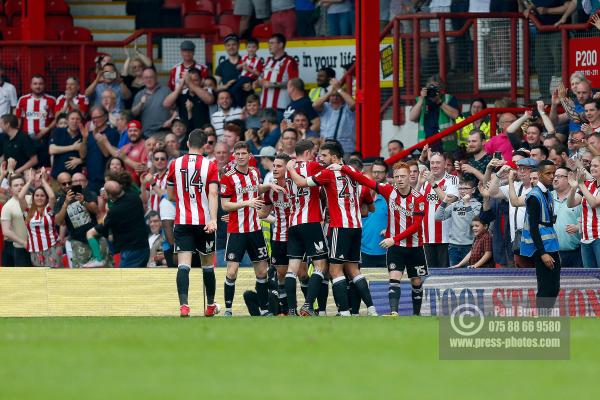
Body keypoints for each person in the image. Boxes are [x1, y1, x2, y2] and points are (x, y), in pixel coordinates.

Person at [287, 141, 377, 316]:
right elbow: (368, 207)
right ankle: (372, 309)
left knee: (334, 270)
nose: (320, 159)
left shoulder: (328, 173)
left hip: (339, 226)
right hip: (356, 226)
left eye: (324, 156)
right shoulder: (353, 171)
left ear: (334, 157)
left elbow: (301, 183)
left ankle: (343, 312)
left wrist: (290, 169)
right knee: (353, 270)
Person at [332, 160, 427, 316]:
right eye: (397, 176)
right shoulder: (389, 191)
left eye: (403, 176)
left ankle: (416, 315)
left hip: (414, 246)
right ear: (394, 178)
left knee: (416, 281)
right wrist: (342, 168)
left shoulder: (419, 198)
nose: (400, 179)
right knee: (394, 278)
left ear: (410, 177)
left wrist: (393, 238)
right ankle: (394, 313)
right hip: (396, 246)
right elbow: (365, 180)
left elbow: (416, 226)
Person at [220, 141, 283, 316]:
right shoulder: (228, 177)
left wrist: (268, 186)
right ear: (234, 156)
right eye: (237, 154)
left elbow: (256, 189)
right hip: (236, 231)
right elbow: (225, 205)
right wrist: (247, 203)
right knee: (232, 271)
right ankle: (228, 309)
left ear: (249, 156)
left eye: (243, 153)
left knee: (262, 271)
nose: (240, 157)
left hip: (255, 230)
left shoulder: (255, 173)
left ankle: (264, 310)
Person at [167, 129, 221, 317]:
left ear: (188, 143)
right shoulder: (210, 165)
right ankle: (211, 305)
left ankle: (184, 305)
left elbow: (170, 194)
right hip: (204, 222)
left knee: (184, 264)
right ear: (206, 146)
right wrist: (213, 219)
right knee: (207, 264)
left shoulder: (175, 164)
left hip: (182, 220)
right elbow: (213, 193)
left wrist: (184, 200)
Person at [520, 160, 561, 311]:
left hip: (551, 244)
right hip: (542, 248)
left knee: (554, 287)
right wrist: (542, 253)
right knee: (545, 287)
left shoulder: (547, 193)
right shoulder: (534, 196)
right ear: (539, 174)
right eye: (548, 173)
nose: (552, 177)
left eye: (554, 173)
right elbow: (533, 227)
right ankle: (542, 320)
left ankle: (545, 316)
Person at [86, 179, 149, 268]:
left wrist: (107, 210)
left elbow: (104, 231)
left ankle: (98, 260)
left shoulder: (114, 211)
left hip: (130, 251)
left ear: (110, 195)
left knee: (126, 280)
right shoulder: (135, 198)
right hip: (144, 247)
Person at [54, 172, 109, 268]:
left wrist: (83, 202)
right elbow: (58, 221)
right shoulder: (60, 201)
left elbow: (96, 210)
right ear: (59, 185)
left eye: (69, 182)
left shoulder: (84, 192)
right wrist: (66, 204)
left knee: (104, 271)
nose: (67, 185)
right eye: (64, 184)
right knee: (82, 274)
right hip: (78, 242)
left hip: (95, 238)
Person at [260, 152, 292, 313]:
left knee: (301, 273)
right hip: (278, 236)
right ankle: (286, 309)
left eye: (279, 166)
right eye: (274, 166)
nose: (274, 169)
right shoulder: (270, 190)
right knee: (280, 274)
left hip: (296, 237)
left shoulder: (296, 187)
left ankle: (309, 309)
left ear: (288, 168)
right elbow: (263, 214)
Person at [420, 153, 460, 268]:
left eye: (438, 163)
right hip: (426, 237)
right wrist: (419, 183)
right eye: (432, 163)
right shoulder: (425, 181)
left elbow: (448, 202)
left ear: (444, 165)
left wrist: (433, 184)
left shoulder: (452, 179)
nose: (434, 166)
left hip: (446, 237)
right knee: (429, 274)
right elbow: (414, 203)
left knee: (445, 274)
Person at [17, 168, 62, 267]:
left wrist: (43, 181)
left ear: (45, 198)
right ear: (33, 198)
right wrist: (29, 181)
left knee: (54, 278)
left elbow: (52, 197)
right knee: (41, 279)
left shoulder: (49, 210)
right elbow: (20, 197)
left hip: (52, 248)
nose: (39, 198)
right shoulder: (28, 212)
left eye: (42, 196)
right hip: (35, 251)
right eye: (37, 195)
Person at [435, 178, 481, 266]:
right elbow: (438, 217)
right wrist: (444, 201)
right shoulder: (454, 205)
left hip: (470, 245)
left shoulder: (477, 205)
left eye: (466, 189)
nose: (463, 191)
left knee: (469, 274)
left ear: (473, 190)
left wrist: (467, 203)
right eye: (460, 188)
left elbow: (472, 222)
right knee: (454, 275)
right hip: (453, 246)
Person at [408, 77, 459, 152]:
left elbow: (456, 115)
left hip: (446, 144)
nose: (432, 91)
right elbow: (412, 117)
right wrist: (422, 99)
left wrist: (439, 102)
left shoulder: (448, 98)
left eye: (436, 88)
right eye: (430, 88)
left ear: (441, 89)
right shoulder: (420, 100)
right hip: (426, 143)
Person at [15, 74, 56, 167]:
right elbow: (18, 119)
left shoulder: (51, 100)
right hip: (27, 139)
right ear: (31, 85)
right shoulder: (23, 100)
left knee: (44, 167)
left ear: (44, 85)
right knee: (28, 167)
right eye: (35, 84)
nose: (38, 86)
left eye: (40, 83)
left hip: (45, 139)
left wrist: (47, 129)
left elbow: (56, 119)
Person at [567, 157, 600, 268]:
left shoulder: (584, 184)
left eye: (596, 166)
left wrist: (581, 184)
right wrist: (573, 188)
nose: (592, 168)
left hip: (599, 237)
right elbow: (570, 204)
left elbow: (594, 203)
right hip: (585, 238)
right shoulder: (588, 185)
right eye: (591, 165)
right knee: (591, 278)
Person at [80, 106, 120, 194]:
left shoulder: (113, 133)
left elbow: (106, 154)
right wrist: (84, 139)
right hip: (90, 180)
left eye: (97, 117)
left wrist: (100, 140)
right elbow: (82, 155)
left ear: (106, 117)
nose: (94, 120)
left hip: (106, 179)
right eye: (92, 118)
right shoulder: (89, 134)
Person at [548, 166, 582, 268]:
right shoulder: (547, 196)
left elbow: (588, 220)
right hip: (551, 253)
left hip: (575, 253)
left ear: (569, 179)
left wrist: (578, 227)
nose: (555, 178)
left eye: (559, 176)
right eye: (555, 176)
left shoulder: (579, 198)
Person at [313, 78, 356, 154]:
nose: (335, 98)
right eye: (333, 96)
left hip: (345, 148)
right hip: (326, 147)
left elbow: (353, 104)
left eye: (338, 96)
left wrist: (339, 89)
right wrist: (330, 91)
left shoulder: (347, 107)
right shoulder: (326, 107)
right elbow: (315, 105)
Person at [358, 159, 388, 268]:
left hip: (386, 251)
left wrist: (389, 230)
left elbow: (399, 219)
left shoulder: (387, 198)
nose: (366, 187)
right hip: (363, 252)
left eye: (369, 184)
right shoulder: (356, 202)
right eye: (363, 184)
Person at [163, 68, 214, 133]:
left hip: (204, 134)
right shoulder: (182, 94)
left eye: (195, 80)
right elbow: (166, 104)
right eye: (189, 80)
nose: (191, 83)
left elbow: (209, 100)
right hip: (186, 135)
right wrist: (181, 85)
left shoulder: (207, 91)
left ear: (202, 81)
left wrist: (189, 82)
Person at [259, 34, 299, 112]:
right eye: (269, 43)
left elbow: (294, 83)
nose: (269, 46)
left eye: (272, 43)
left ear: (280, 45)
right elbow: (262, 78)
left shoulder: (290, 61)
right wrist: (258, 82)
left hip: (281, 106)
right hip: (264, 105)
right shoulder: (268, 61)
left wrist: (273, 84)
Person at [1, 173, 31, 266]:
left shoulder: (34, 199)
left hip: (38, 245)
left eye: (22, 185)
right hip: (20, 247)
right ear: (10, 189)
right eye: (16, 185)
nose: (20, 187)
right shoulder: (7, 206)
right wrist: (23, 242)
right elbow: (6, 231)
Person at [131, 67, 172, 137]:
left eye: (151, 77)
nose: (148, 80)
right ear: (143, 79)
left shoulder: (166, 91)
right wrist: (141, 103)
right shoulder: (139, 94)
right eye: (146, 77)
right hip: (146, 134)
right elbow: (133, 113)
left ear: (156, 77)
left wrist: (171, 120)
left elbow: (176, 110)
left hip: (163, 132)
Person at [49, 109, 84, 179]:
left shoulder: (84, 135)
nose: (75, 121)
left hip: (75, 179)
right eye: (72, 119)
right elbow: (52, 150)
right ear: (67, 121)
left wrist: (81, 160)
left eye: (77, 119)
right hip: (57, 177)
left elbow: (90, 154)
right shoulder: (58, 131)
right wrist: (73, 147)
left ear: (81, 121)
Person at [141, 147, 169, 212]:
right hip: (152, 216)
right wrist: (143, 185)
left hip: (166, 216)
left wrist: (153, 184)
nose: (159, 161)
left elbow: (166, 197)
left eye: (162, 159)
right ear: (153, 162)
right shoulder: (152, 177)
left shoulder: (172, 176)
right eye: (156, 159)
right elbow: (144, 200)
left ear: (167, 160)